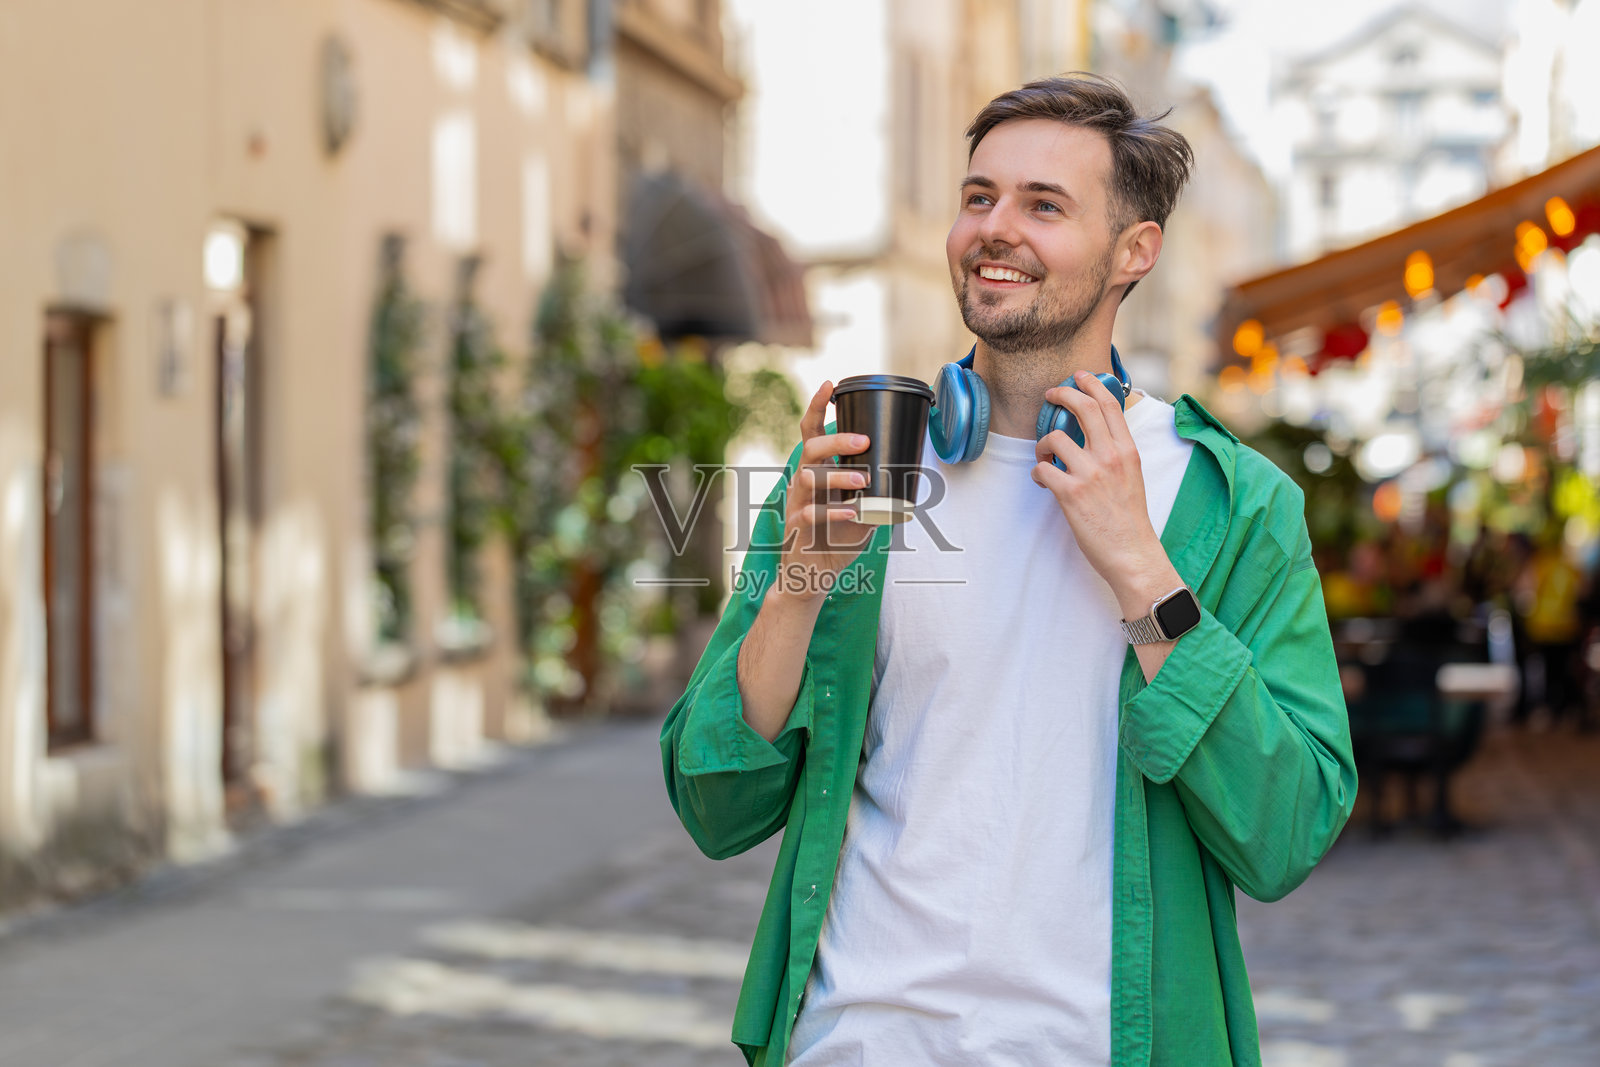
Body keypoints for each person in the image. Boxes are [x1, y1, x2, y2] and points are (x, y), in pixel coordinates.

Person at [661, 73, 1356, 1067]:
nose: (995, 227)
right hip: (858, 1036)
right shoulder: (857, 465)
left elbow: (1285, 830)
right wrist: (801, 581)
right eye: (978, 196)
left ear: (1134, 252)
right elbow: (713, 800)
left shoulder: (1234, 504)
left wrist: (1142, 574)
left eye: (1044, 204)